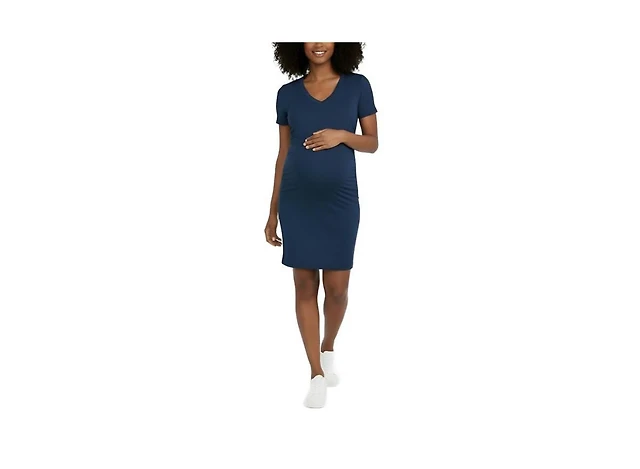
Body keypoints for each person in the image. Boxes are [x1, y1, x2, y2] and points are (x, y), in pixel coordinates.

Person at [264, 42, 378, 408]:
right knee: (304, 286)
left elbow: (372, 143)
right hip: (297, 200)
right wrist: (272, 210)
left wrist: (342, 135)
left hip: (340, 202)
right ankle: (315, 372)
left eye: (326, 35)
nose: (318, 43)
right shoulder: (286, 94)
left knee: (337, 288)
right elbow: (283, 153)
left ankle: (328, 347)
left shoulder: (358, 85)